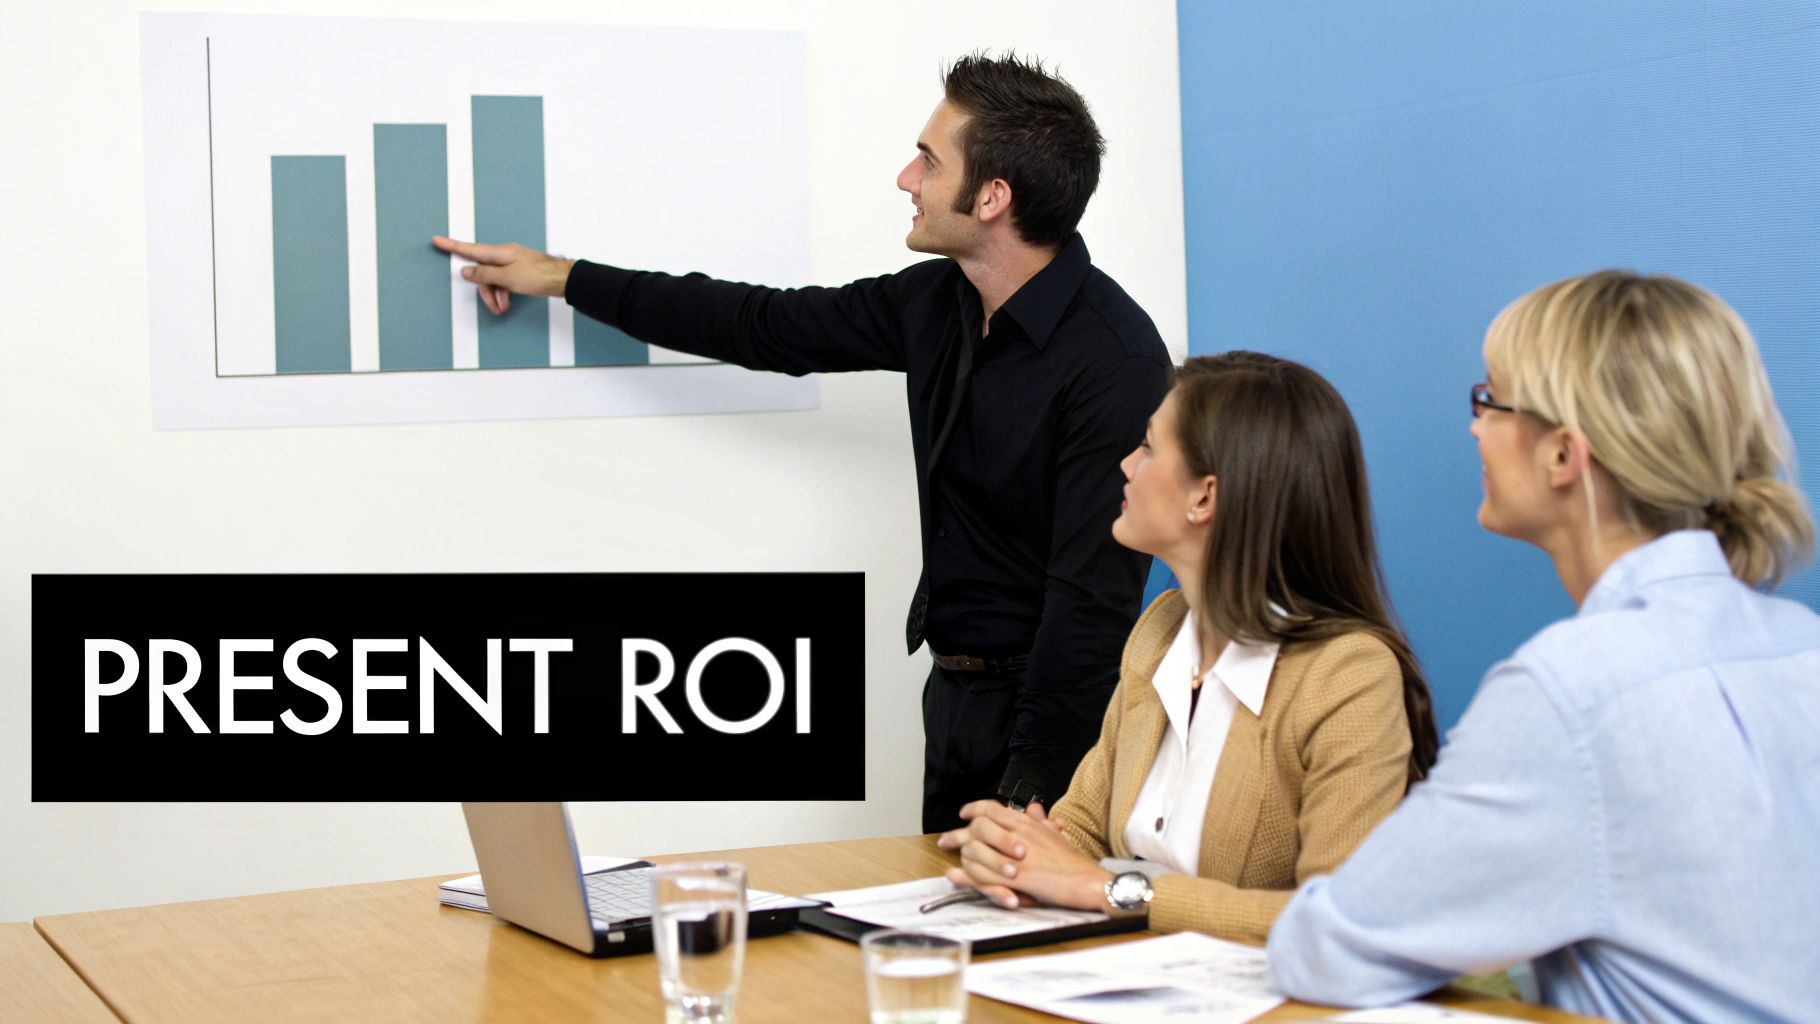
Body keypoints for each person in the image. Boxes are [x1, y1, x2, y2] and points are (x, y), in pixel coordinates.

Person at [432, 53, 1172, 832]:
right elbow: (760, 324)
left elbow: (1091, 604)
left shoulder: (1112, 359)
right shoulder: (933, 302)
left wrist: (1035, 791)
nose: (905, 179)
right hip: (953, 697)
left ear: (992, 197)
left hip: (1050, 724)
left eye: (928, 159)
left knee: (1026, 946)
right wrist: (560, 275)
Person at [1266, 271, 1820, 1023]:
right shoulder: (1800, 645)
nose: (1473, 427)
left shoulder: (1569, 694)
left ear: (1564, 455)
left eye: (1489, 401)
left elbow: (1327, 947)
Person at [937, 352, 1440, 944]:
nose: (1125, 464)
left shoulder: (1348, 676)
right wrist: (1013, 850)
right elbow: (1081, 827)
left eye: (1148, 447)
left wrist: (1108, 890)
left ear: (1205, 497)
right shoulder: (1162, 628)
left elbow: (1341, 924)